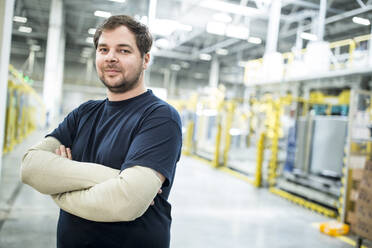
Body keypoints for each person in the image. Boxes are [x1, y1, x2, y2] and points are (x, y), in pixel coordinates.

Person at [20, 15, 182, 248]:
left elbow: (126, 201)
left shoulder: (160, 117)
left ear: (145, 59)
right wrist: (118, 180)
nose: (111, 58)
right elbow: (30, 167)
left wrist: (59, 189)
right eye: (103, 49)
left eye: (124, 51)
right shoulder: (84, 112)